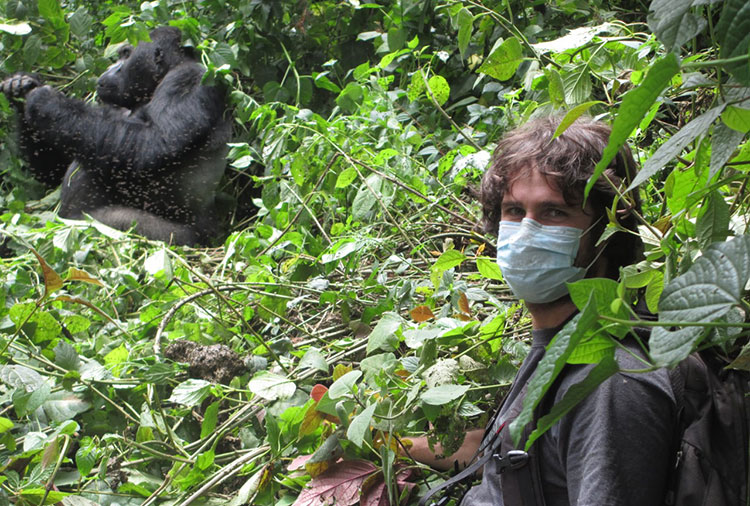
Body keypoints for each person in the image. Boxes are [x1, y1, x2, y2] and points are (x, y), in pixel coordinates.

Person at [410, 116, 678, 505]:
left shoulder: (611, 383)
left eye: (554, 213)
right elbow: (505, 450)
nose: (527, 232)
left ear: (609, 230)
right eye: (515, 211)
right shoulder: (565, 339)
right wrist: (386, 443)